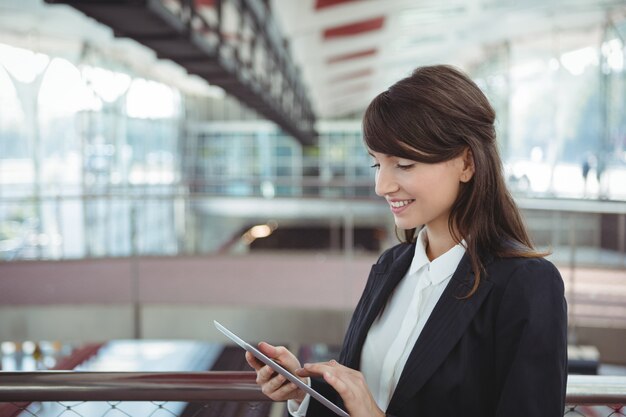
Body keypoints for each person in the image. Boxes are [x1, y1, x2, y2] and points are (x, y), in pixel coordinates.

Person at [245, 65, 568, 417]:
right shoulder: (391, 266)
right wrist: (304, 390)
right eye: (376, 165)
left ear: (467, 163)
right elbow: (365, 398)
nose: (381, 186)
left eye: (403, 164)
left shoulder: (525, 285)